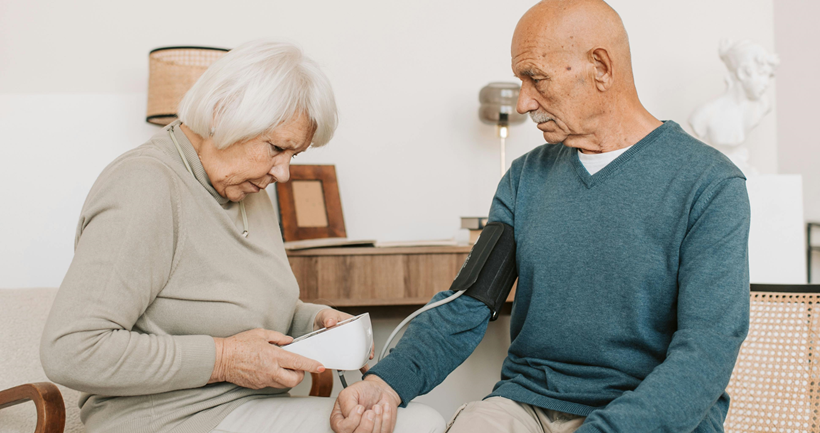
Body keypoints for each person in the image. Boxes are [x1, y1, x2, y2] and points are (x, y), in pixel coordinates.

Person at [330, 1, 751, 432]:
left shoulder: (710, 184)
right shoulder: (525, 178)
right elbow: (467, 306)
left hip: (643, 416)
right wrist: (386, 382)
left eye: (536, 78)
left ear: (600, 67)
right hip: (525, 406)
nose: (523, 100)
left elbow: (706, 353)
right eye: (520, 80)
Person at [40, 40, 444, 433]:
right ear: (222, 113)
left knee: (421, 422)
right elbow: (71, 350)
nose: (283, 173)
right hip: (169, 420)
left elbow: (241, 307)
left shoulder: (246, 188)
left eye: (294, 155)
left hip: (248, 409)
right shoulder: (145, 186)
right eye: (276, 148)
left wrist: (314, 322)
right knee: (419, 427)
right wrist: (223, 359)